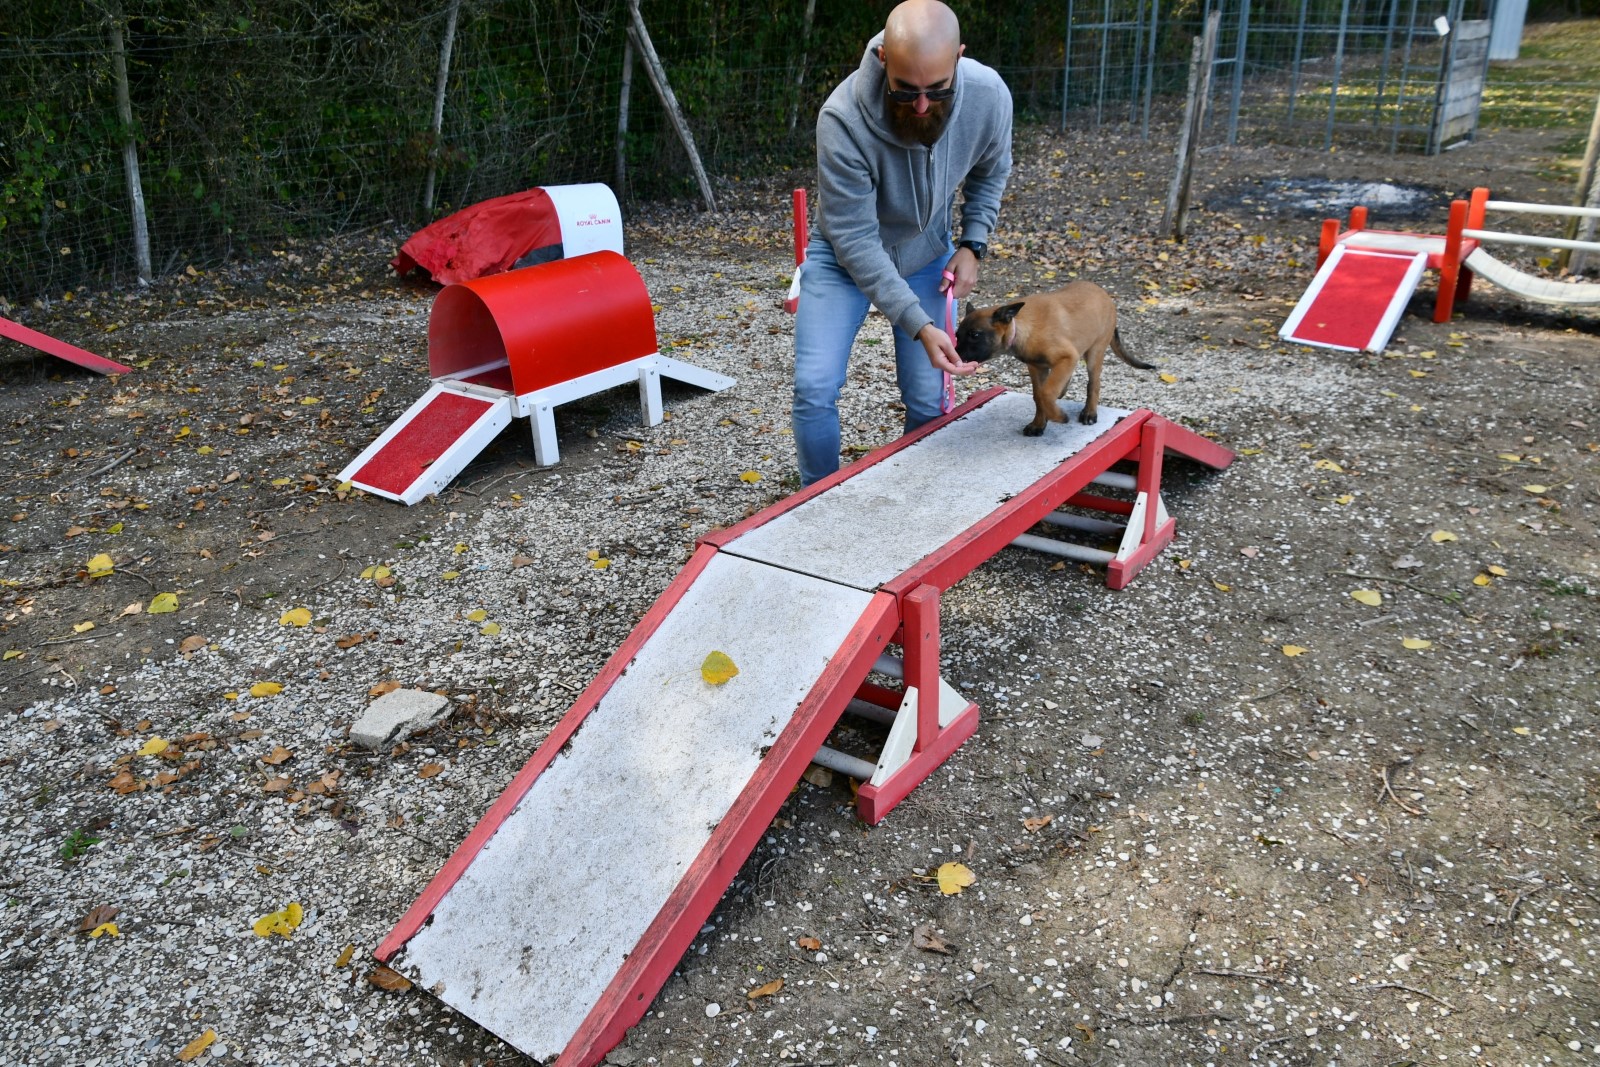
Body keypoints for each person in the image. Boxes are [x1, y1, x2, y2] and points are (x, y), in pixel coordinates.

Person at [791, 0, 1012, 487]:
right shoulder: (842, 119)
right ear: (883, 60)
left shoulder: (989, 95)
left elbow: (991, 170)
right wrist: (917, 322)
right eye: (906, 90)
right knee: (814, 387)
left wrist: (973, 243)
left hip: (926, 249)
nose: (921, 105)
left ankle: (914, 498)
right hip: (842, 258)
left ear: (958, 57)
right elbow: (855, 239)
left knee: (928, 397)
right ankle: (816, 502)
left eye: (937, 90)